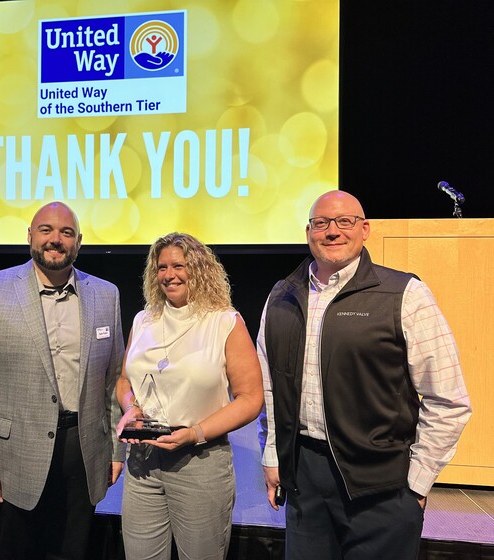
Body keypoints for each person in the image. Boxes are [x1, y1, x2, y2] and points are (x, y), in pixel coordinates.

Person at [258, 190, 472, 560]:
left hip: (382, 487)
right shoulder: (281, 297)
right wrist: (273, 455)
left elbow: (448, 399)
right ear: (308, 232)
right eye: (321, 223)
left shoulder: (405, 294)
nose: (332, 231)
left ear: (365, 229)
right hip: (305, 482)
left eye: (345, 221)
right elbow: (271, 389)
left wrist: (417, 482)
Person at [0, 201, 125, 560]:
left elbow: (114, 381)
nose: (55, 239)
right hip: (12, 459)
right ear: (30, 236)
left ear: (79, 242)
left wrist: (115, 451)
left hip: (83, 454)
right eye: (46, 230)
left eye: (66, 232)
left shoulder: (106, 295)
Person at [116, 232, 264, 560]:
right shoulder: (143, 320)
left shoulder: (224, 322)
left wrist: (195, 433)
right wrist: (131, 407)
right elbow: (125, 380)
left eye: (179, 266)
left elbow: (250, 398)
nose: (169, 275)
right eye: (162, 267)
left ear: (198, 269)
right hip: (143, 462)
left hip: (200, 462)